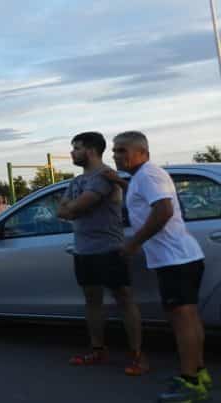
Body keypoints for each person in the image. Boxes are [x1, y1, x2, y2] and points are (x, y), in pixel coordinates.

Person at [107, 131, 210, 402]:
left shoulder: (148, 175)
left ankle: (190, 383)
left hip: (176, 260)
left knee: (183, 322)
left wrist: (134, 243)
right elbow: (146, 199)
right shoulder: (143, 177)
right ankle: (198, 373)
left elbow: (163, 210)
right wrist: (119, 181)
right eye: (114, 150)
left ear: (143, 152)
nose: (116, 155)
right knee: (188, 319)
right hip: (180, 258)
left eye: (122, 150)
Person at [56, 131, 147, 375]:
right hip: (83, 251)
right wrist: (72, 209)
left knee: (124, 299)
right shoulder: (77, 181)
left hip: (110, 249)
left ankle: (138, 356)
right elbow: (61, 211)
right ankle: (98, 350)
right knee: (92, 301)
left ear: (91, 150)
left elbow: (77, 207)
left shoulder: (105, 176)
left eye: (76, 148)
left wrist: (72, 208)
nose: (72, 153)